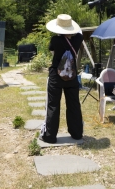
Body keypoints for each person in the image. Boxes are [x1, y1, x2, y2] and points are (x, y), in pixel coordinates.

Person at [40, 14, 84, 144]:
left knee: (53, 105)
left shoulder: (55, 40)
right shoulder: (78, 39)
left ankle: (50, 136)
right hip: (72, 76)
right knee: (74, 104)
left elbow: (52, 51)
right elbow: (79, 32)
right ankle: (76, 134)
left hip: (56, 76)